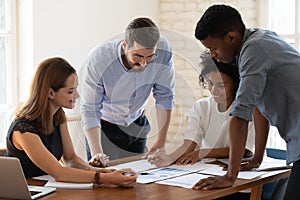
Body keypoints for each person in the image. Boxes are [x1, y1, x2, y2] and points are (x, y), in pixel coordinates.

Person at [193, 4, 300, 199]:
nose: (212, 55)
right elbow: (258, 108)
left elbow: (240, 116)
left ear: (232, 37)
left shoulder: (254, 50)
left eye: (213, 48)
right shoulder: (257, 40)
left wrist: (230, 176)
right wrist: (257, 158)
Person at [6, 57, 136, 187]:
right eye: (70, 91)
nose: (77, 95)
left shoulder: (58, 116)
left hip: (47, 188)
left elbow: (71, 159)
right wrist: (104, 178)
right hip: (24, 191)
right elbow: (59, 173)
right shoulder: (23, 129)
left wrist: (105, 173)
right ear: (50, 93)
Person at [80, 17, 174, 167]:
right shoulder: (99, 60)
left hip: (137, 124)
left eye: (150, 57)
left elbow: (165, 97)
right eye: (137, 56)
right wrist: (97, 153)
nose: (144, 63)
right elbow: (90, 110)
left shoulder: (164, 51)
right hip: (104, 129)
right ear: (125, 45)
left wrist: (161, 143)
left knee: (140, 179)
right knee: (104, 182)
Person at [147, 52, 255, 168]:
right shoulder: (202, 107)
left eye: (221, 85)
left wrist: (200, 153)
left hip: (243, 169)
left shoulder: (248, 110)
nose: (213, 90)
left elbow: (244, 150)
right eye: (210, 83)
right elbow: (190, 143)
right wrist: (170, 158)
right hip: (211, 167)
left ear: (236, 84)